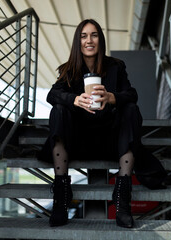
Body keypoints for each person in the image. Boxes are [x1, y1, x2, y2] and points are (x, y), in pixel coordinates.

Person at [44, 19, 143, 228]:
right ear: (78, 42)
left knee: (131, 109)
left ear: (100, 39)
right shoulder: (69, 69)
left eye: (94, 35)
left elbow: (132, 94)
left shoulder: (116, 66)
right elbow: (52, 95)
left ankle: (122, 197)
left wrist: (111, 97)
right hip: (78, 140)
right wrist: (74, 99)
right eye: (84, 35)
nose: (89, 40)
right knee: (58, 110)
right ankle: (61, 194)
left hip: (110, 139)